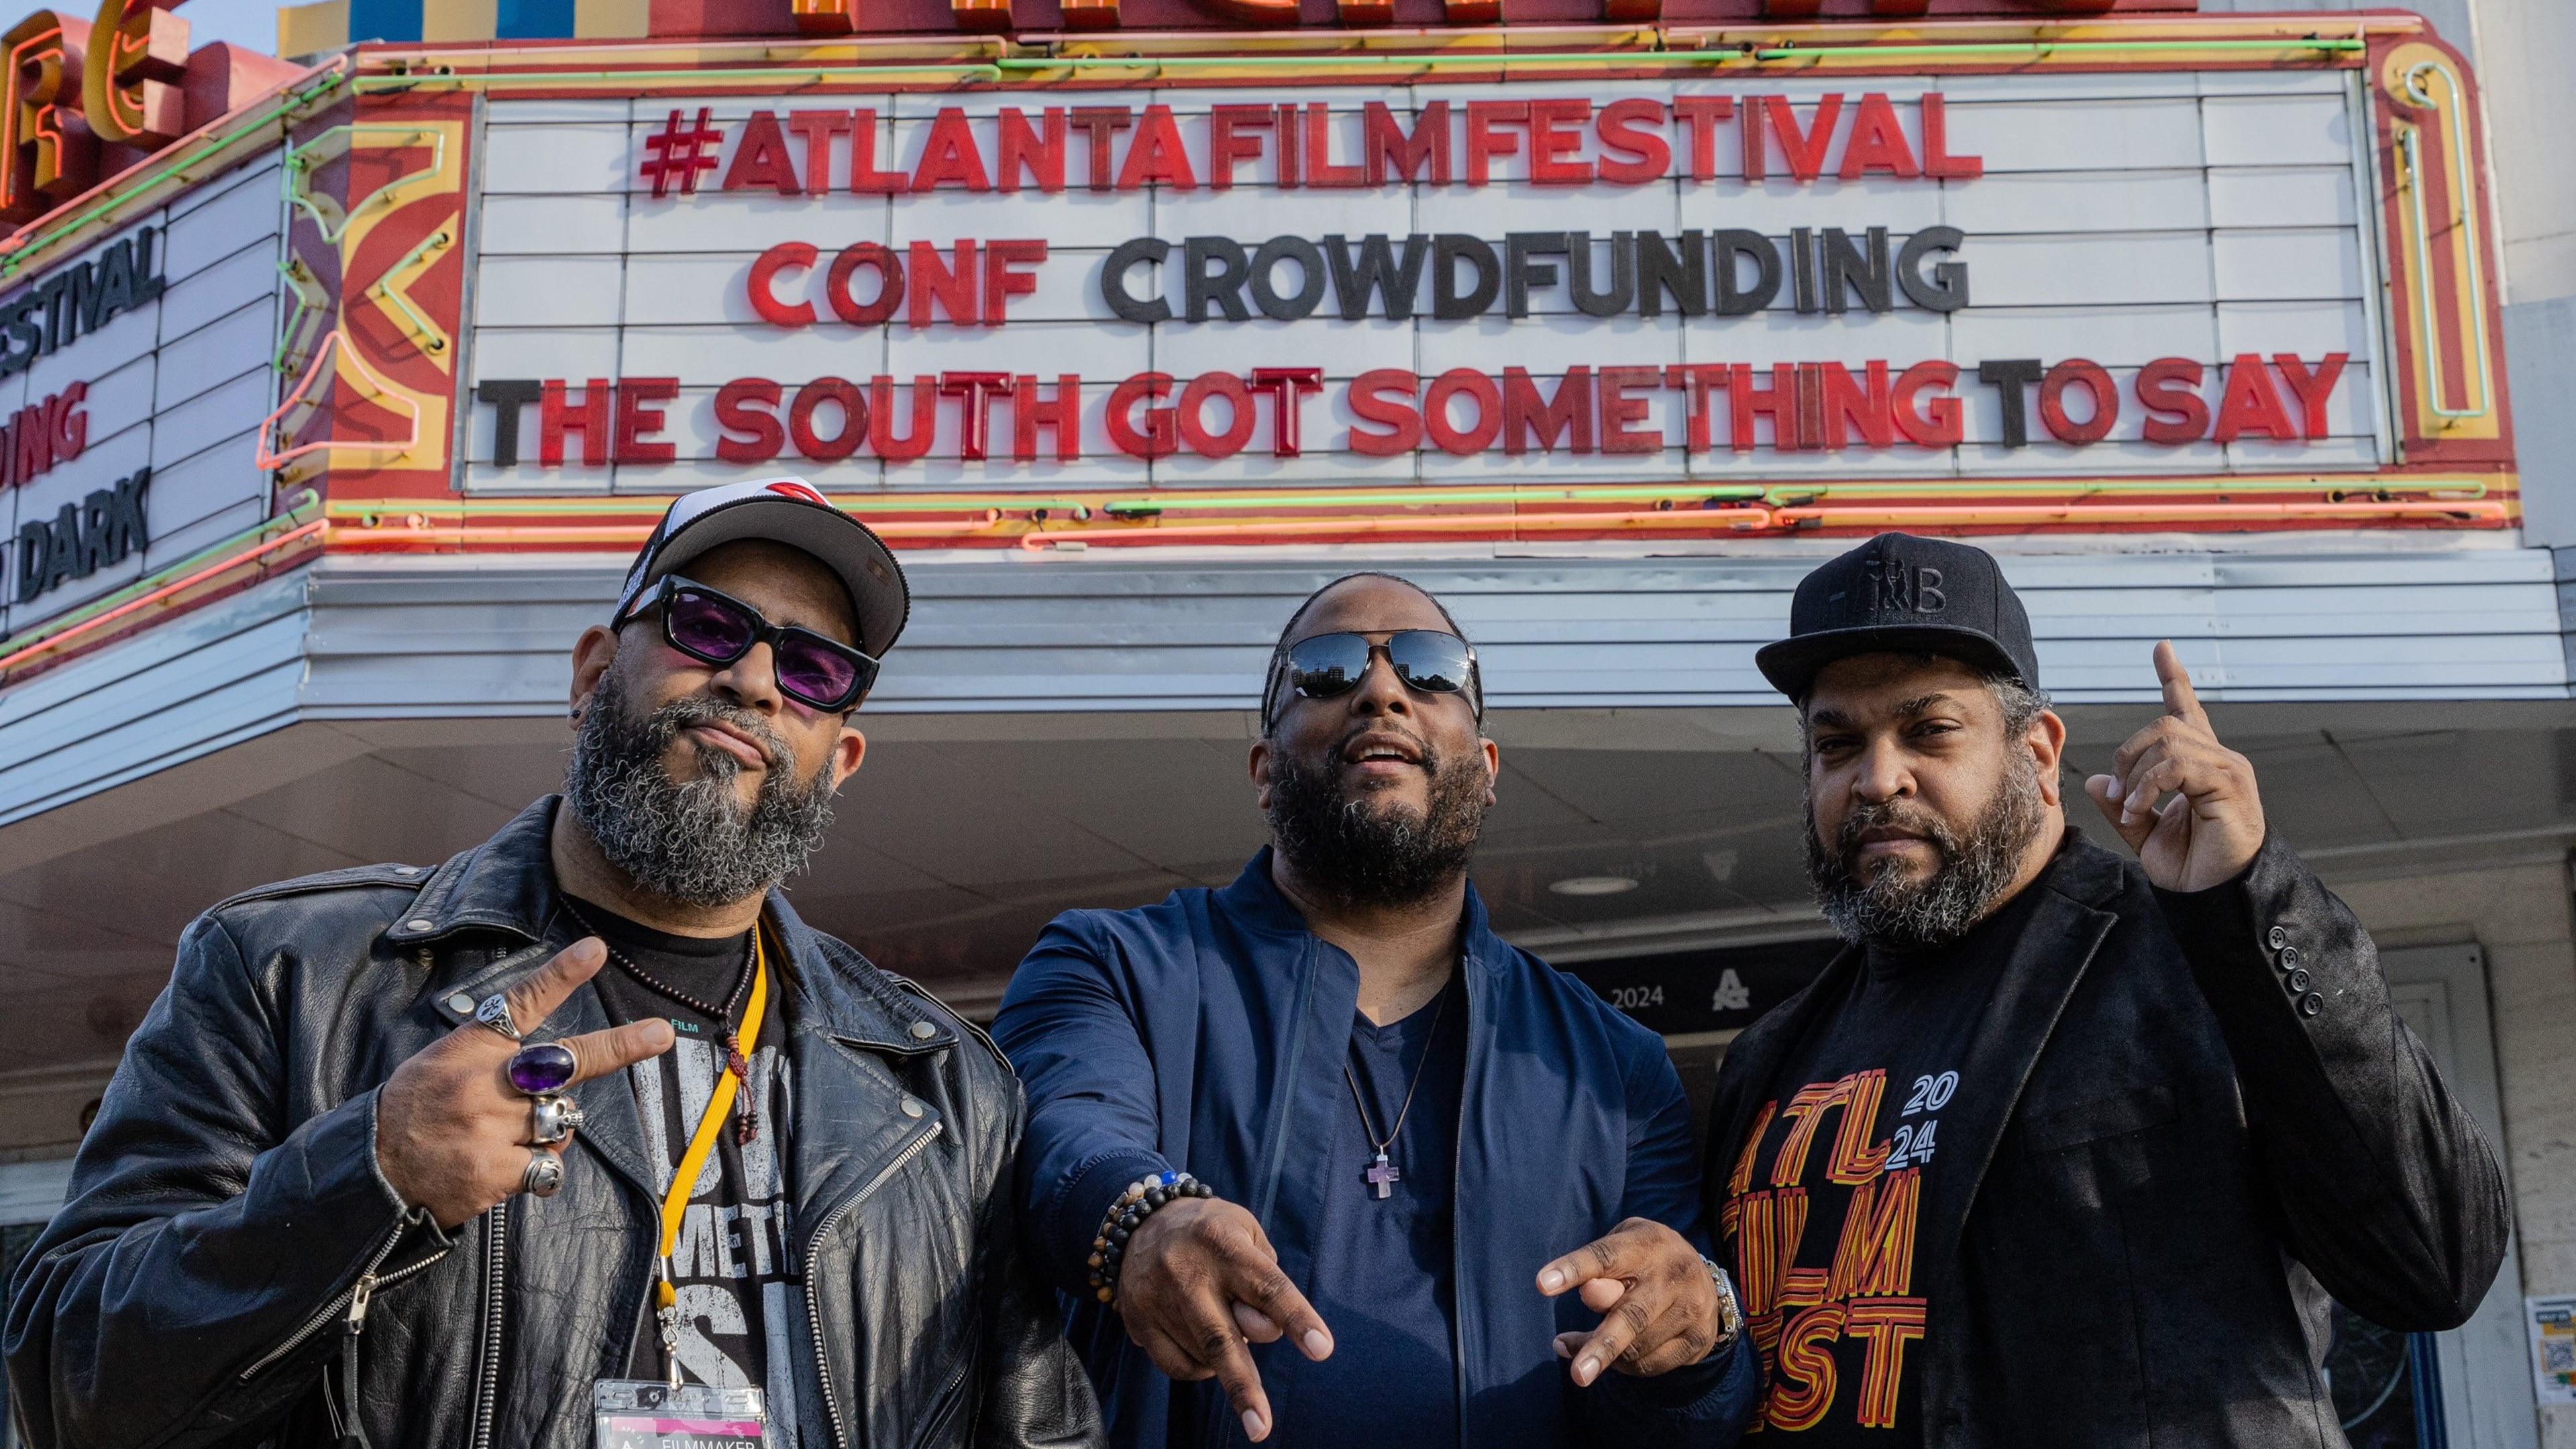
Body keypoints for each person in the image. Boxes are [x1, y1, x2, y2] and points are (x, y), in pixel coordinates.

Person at [5, 479, 1102, 1449]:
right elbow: (72, 1384)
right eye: (708, 623)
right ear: (590, 674)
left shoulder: (945, 1085)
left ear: (840, 756)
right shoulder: (290, 972)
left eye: (815, 668)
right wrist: (368, 1178)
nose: (759, 680)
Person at [1704, 532, 2510, 1444]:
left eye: (1929, 730)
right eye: (1837, 742)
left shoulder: (2194, 961)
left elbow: (2435, 1262)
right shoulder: (1770, 1059)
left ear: (2039, 754)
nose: (1878, 778)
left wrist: (2247, 898)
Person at [991, 572, 1759, 1449]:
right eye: (1324, 670)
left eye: (1431, 672)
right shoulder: (1112, 965)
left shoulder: (1614, 1065)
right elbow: (1060, 1136)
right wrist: (1140, 1217)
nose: (1383, 690)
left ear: (1487, 766)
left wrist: (1700, 1339)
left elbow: (1693, 1413)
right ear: (1265, 772)